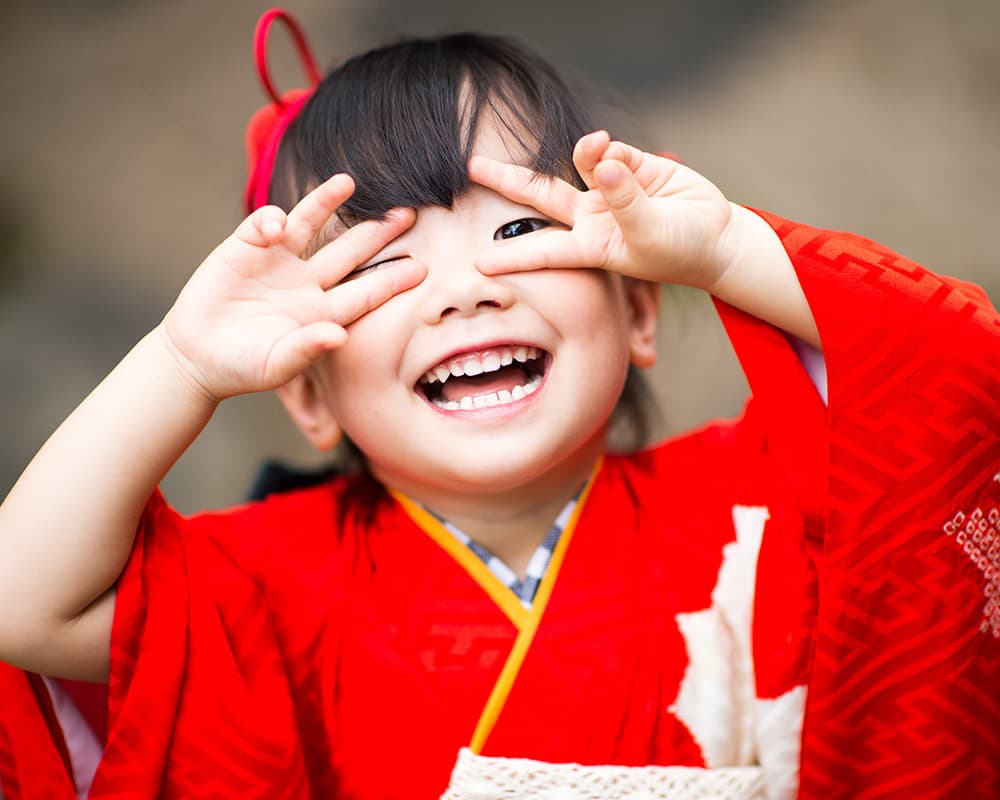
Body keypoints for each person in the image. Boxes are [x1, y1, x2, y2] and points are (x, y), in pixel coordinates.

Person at [0, 8, 997, 800]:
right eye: (383, 262)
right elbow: (21, 604)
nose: (463, 287)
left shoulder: (762, 505)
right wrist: (181, 361)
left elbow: (958, 386)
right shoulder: (268, 589)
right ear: (307, 391)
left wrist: (729, 250)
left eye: (519, 227)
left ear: (639, 309)